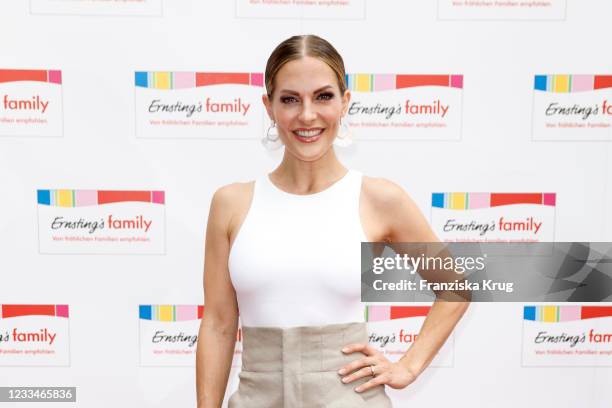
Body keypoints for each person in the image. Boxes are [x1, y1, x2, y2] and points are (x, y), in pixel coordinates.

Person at [196, 34, 469, 408]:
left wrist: (408, 366)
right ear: (269, 106)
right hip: (256, 395)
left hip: (349, 397)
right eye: (290, 99)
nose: (307, 115)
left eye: (323, 96)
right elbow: (218, 324)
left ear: (345, 102)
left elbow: (455, 286)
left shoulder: (379, 199)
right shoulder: (231, 203)